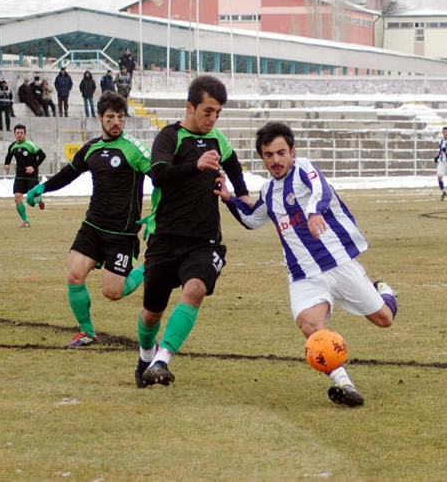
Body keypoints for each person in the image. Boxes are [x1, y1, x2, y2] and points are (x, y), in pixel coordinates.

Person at [215, 122, 398, 408]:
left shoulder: (303, 169)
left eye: (280, 152)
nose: (275, 160)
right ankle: (344, 383)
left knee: (384, 319)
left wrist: (313, 213)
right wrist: (229, 199)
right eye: (268, 155)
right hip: (303, 275)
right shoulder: (268, 192)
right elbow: (252, 219)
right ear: (262, 157)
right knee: (311, 326)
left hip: (336, 262)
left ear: (292, 151)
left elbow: (320, 189)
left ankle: (385, 290)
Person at [134, 75, 251, 389]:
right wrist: (195, 166)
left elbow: (235, 168)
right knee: (150, 314)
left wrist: (243, 196)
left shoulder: (218, 140)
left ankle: (162, 359)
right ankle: (146, 354)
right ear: (190, 106)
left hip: (204, 241)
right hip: (165, 237)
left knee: (196, 288)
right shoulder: (170, 136)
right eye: (208, 111)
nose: (212, 119)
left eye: (218, 113)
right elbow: (157, 175)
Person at [26, 91, 151, 348]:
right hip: (93, 226)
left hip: (122, 232)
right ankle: (87, 332)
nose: (116, 122)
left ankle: (150, 266)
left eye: (120, 117)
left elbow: (162, 178)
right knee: (74, 275)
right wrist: (43, 187)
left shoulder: (134, 149)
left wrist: (158, 212)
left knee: (113, 292)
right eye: (110, 117)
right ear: (99, 117)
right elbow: (69, 173)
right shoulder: (92, 148)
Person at [4, 124, 46, 228]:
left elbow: (42, 156)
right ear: (14, 134)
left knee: (31, 199)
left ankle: (39, 200)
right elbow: (8, 156)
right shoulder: (13, 146)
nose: (19, 135)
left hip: (31, 175)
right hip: (19, 176)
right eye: (17, 133)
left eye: (21, 133)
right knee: (17, 198)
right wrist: (7, 164)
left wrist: (33, 167)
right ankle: (26, 221)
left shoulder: (30, 145)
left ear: (25, 134)